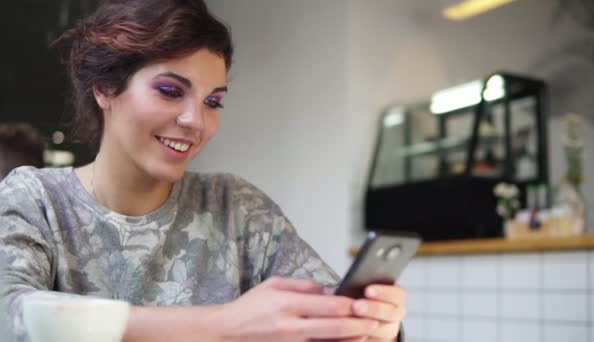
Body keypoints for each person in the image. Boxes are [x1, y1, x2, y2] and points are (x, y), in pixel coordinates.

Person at [0, 1, 407, 341]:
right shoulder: (37, 199)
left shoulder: (236, 207)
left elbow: (321, 311)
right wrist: (223, 325)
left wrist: (374, 326)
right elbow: (11, 314)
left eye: (213, 102)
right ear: (105, 89)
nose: (196, 120)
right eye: (170, 91)